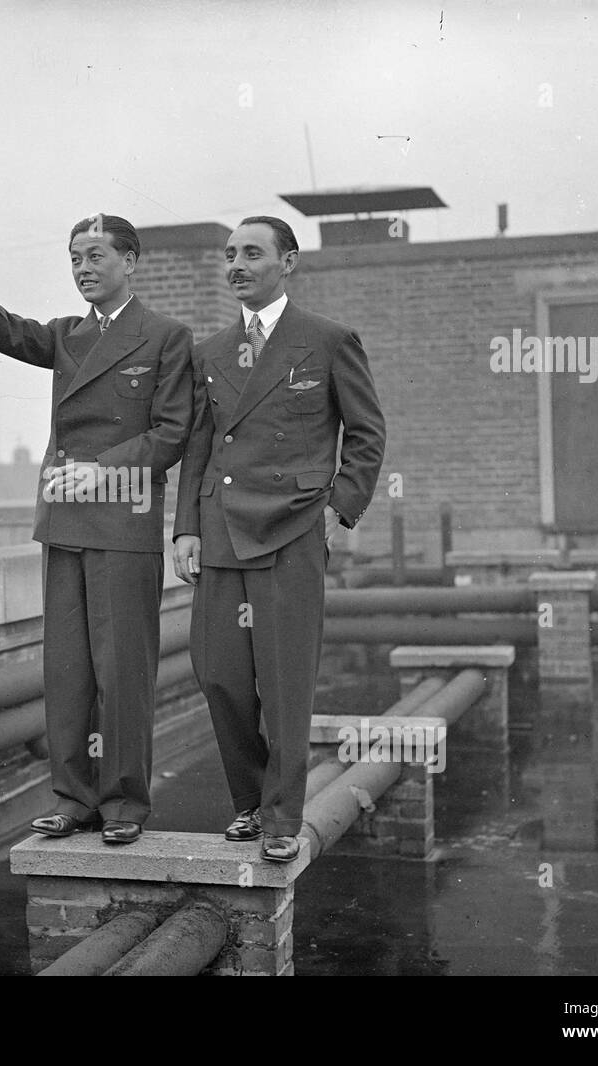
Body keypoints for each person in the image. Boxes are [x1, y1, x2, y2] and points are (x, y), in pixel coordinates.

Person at [0, 214, 193, 845]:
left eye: (96, 255)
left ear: (130, 261)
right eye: (75, 257)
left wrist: (100, 472)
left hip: (123, 525)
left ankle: (125, 806)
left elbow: (170, 435)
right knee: (68, 670)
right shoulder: (66, 335)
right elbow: (9, 334)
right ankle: (72, 797)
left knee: (124, 670)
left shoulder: (166, 337)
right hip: (64, 525)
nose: (83, 267)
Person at [172, 216, 386, 862]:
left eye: (253, 253)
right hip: (219, 532)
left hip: (292, 529)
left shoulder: (327, 341)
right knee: (218, 673)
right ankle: (249, 799)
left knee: (286, 679)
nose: (236, 264)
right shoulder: (208, 354)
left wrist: (338, 509)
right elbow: (197, 448)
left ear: (288, 263)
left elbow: (367, 432)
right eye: (230, 255)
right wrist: (184, 527)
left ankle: (280, 817)